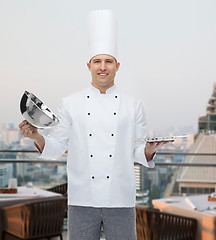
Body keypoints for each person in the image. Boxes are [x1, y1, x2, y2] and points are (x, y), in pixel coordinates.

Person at [19, 10, 170, 240]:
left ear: (117, 66)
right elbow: (58, 145)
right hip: (82, 199)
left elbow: (137, 151)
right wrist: (36, 138)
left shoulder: (133, 105)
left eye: (108, 61)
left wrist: (149, 150)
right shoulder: (70, 103)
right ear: (88, 65)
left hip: (120, 199)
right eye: (97, 61)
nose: (103, 67)